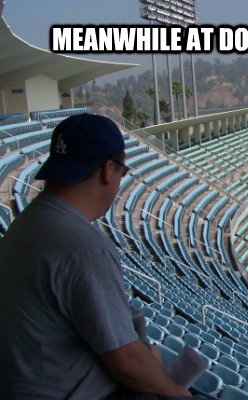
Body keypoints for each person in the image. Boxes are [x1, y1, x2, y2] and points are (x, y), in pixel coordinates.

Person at [0, 114, 193, 399]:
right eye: (122, 173)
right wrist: (178, 393)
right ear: (107, 170)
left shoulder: (27, 222)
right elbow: (126, 362)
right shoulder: (81, 246)